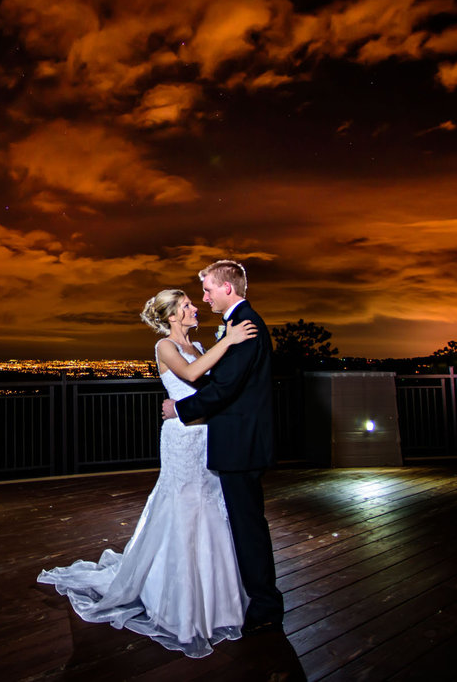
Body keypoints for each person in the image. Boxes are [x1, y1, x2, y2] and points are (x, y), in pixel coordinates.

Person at [37, 289, 257, 657]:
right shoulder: (164, 347)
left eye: (191, 303)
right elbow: (190, 373)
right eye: (186, 305)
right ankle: (177, 604)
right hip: (181, 439)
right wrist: (230, 339)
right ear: (172, 316)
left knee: (210, 509)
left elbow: (215, 387)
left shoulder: (202, 344)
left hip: (205, 436)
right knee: (180, 508)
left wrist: (224, 347)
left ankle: (218, 601)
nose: (194, 308)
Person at [161, 259, 284, 634]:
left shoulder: (244, 325)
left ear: (226, 288)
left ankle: (264, 604)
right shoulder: (237, 325)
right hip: (234, 440)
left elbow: (225, 387)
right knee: (242, 523)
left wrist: (179, 410)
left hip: (240, 443)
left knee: (247, 526)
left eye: (208, 290)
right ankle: (248, 596)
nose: (203, 298)